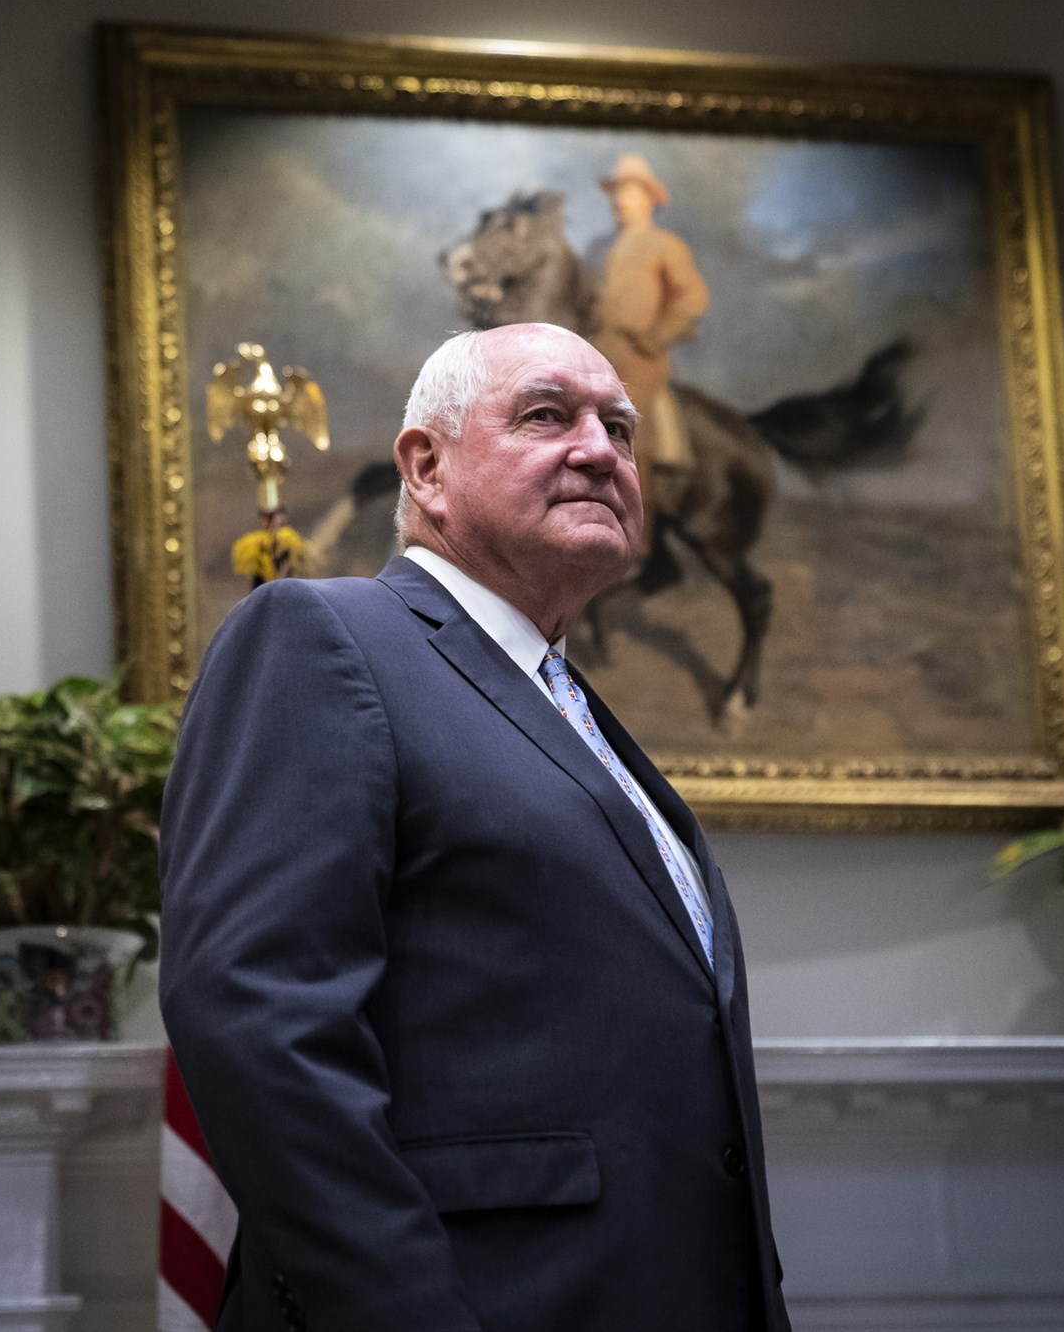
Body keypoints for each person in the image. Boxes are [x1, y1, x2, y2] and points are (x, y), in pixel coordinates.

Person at [159, 322, 787, 1332]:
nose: (598, 449)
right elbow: (259, 1017)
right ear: (426, 466)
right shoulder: (324, 637)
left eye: (619, 430)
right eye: (547, 414)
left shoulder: (569, 709)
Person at [589, 153, 710, 532]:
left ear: (648, 198)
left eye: (629, 193)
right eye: (617, 194)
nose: (620, 201)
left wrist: (655, 335)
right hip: (598, 349)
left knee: (626, 422)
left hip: (641, 355)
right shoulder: (603, 249)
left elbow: (693, 297)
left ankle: (634, 531)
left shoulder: (664, 245)